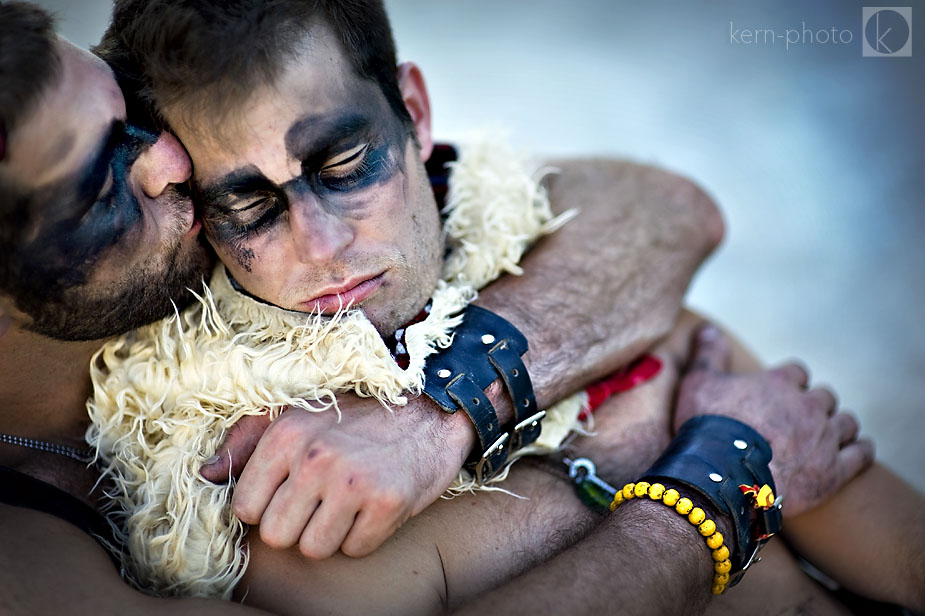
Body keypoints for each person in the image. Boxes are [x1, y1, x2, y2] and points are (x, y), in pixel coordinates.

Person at [0, 3, 849, 614]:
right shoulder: (22, 563)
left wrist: (438, 409)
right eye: (100, 179)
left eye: (129, 119)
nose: (169, 159)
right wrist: (715, 489)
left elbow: (652, 207)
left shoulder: (221, 243)